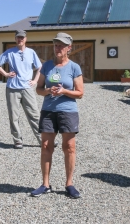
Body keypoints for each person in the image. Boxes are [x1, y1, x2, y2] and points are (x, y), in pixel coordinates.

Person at [31, 32, 84, 199]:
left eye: (61, 45)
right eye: (56, 44)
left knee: (69, 148)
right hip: (48, 111)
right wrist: (48, 90)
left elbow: (80, 93)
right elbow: (38, 89)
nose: (58, 48)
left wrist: (64, 91)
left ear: (69, 48)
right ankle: (45, 184)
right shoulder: (46, 66)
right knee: (46, 146)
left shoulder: (74, 67)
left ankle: (69, 184)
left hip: (68, 111)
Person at [0, 30, 43, 149]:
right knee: (13, 116)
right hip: (12, 88)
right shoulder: (10, 52)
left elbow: (39, 67)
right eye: (18, 38)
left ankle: (42, 139)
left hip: (27, 88)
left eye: (22, 37)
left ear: (26, 39)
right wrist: (5, 74)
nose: (20, 39)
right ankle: (17, 140)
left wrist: (35, 81)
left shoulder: (31, 52)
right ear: (15, 39)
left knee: (35, 115)